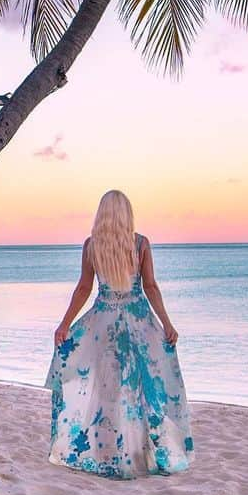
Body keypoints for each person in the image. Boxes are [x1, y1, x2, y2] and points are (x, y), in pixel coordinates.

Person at [46, 190, 192, 478]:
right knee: (140, 389)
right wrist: (166, 324)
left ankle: (109, 451)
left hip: (104, 325)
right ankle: (140, 452)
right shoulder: (140, 244)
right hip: (139, 324)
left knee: (108, 389)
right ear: (127, 214)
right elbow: (150, 287)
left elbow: (84, 289)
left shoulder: (92, 246)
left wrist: (65, 324)